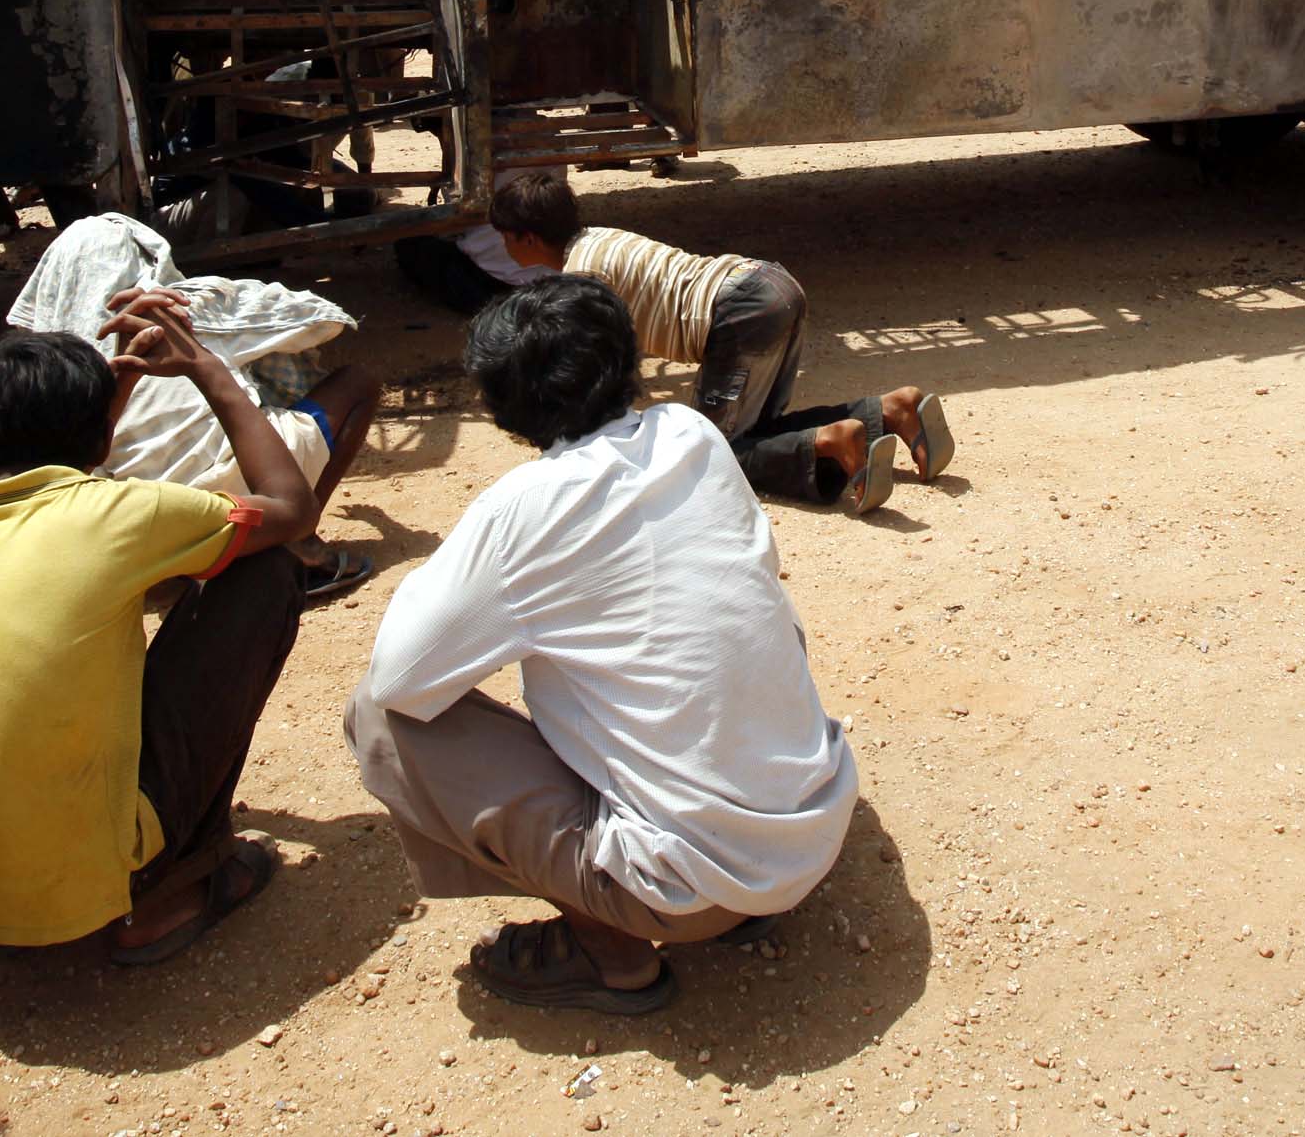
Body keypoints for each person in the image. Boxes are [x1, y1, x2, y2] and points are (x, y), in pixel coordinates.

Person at [344, 276, 858, 1015]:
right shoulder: (692, 434)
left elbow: (400, 679)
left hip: (693, 885)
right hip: (815, 825)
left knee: (378, 717)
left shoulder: (523, 509)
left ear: (506, 410)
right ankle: (742, 879)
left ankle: (608, 951)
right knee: (746, 610)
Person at [0, 313, 334, 960]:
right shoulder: (124, 514)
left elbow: (73, 483)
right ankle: (163, 894)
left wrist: (105, 398)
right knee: (267, 565)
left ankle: (27, 912)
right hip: (89, 881)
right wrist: (211, 372)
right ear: (102, 443)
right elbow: (292, 508)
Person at [488, 168, 953, 516]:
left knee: (712, 451)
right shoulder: (600, 239)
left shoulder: (581, 274)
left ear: (525, 237)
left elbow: (607, 361)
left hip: (740, 311)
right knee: (759, 434)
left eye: (505, 237)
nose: (504, 247)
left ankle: (833, 441)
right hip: (772, 285)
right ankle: (887, 413)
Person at [5, 210, 381, 603]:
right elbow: (316, 319)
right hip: (248, 498)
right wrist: (202, 303)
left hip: (139, 519)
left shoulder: (45, 369)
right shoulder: (179, 314)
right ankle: (299, 539)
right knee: (358, 382)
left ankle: (172, 575)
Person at [392, 166, 560, 315]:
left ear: (529, 240)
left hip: (490, 282)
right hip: (548, 283)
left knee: (409, 244)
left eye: (505, 238)